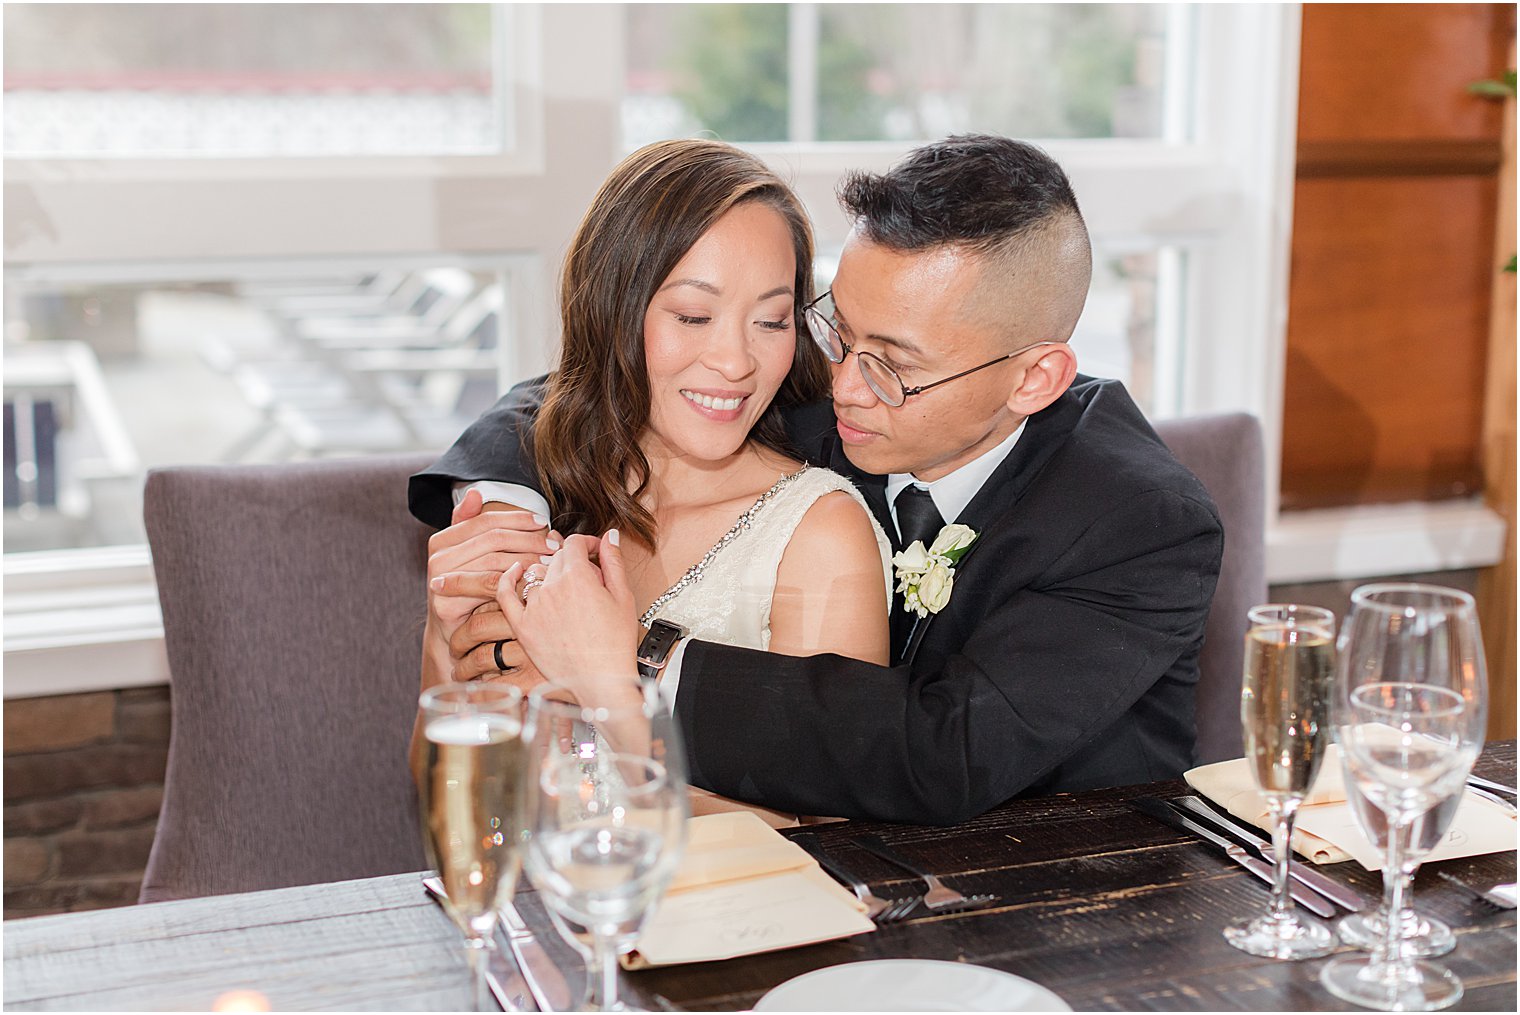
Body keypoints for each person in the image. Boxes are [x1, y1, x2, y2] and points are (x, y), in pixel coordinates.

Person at [412, 134, 1224, 826]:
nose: (842, 387)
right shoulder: (814, 390)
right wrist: (502, 511)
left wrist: (632, 661)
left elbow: (942, 751)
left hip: (1071, 917)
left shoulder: (1140, 522)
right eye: (838, 327)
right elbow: (579, 389)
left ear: (1034, 379)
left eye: (893, 366)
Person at [409, 140, 893, 811]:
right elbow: (453, 805)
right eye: (694, 316)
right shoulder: (557, 491)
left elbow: (819, 837)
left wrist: (607, 692)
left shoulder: (819, 537)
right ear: (613, 310)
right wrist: (443, 636)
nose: (735, 361)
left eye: (772, 319)